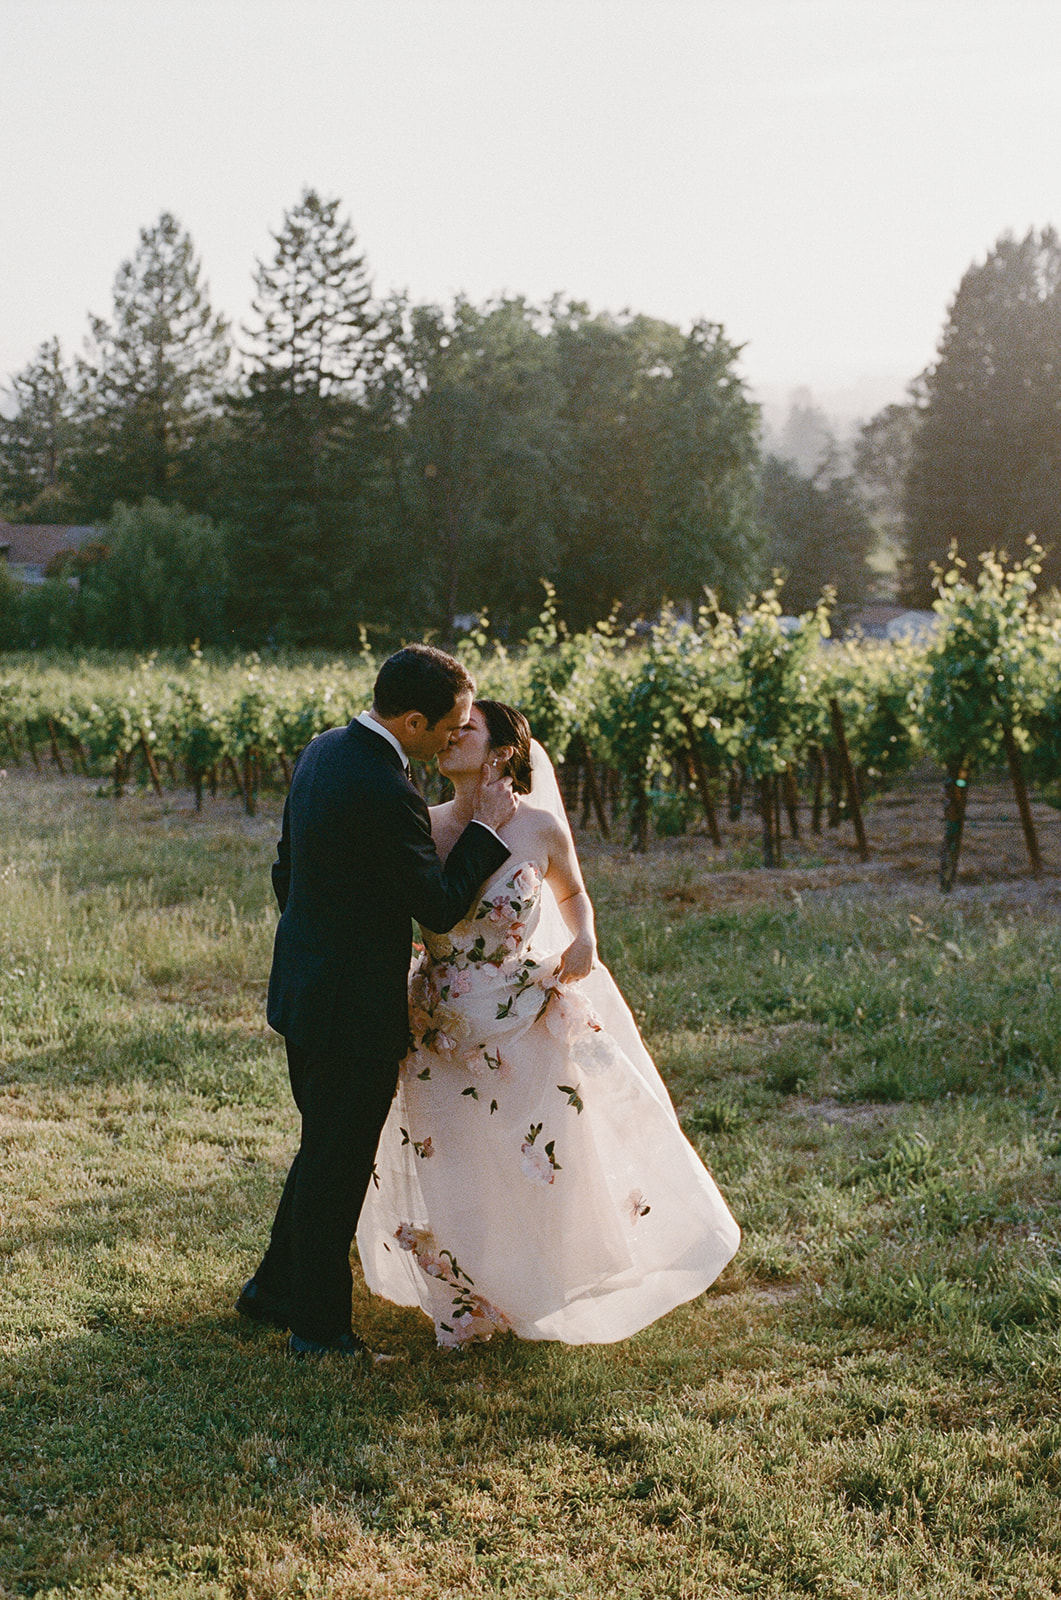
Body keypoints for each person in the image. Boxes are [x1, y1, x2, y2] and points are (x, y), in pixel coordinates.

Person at [357, 700, 740, 1347]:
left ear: (503, 752)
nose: (450, 737)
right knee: (456, 1163)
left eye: (466, 730)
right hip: (440, 1027)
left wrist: (585, 935)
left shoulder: (539, 829)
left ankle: (538, 1282)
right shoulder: (419, 824)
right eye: (448, 729)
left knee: (535, 1152)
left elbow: (572, 892)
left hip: (520, 1018)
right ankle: (470, 1298)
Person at [238, 645, 517, 1358]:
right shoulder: (386, 786)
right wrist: (484, 827)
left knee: (321, 1148)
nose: (457, 736)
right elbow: (438, 905)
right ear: (414, 720)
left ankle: (272, 1291)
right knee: (337, 1166)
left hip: (306, 987)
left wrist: (321, 934)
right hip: (349, 1007)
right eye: (451, 724)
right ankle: (320, 1332)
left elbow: (286, 866)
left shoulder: (325, 748)